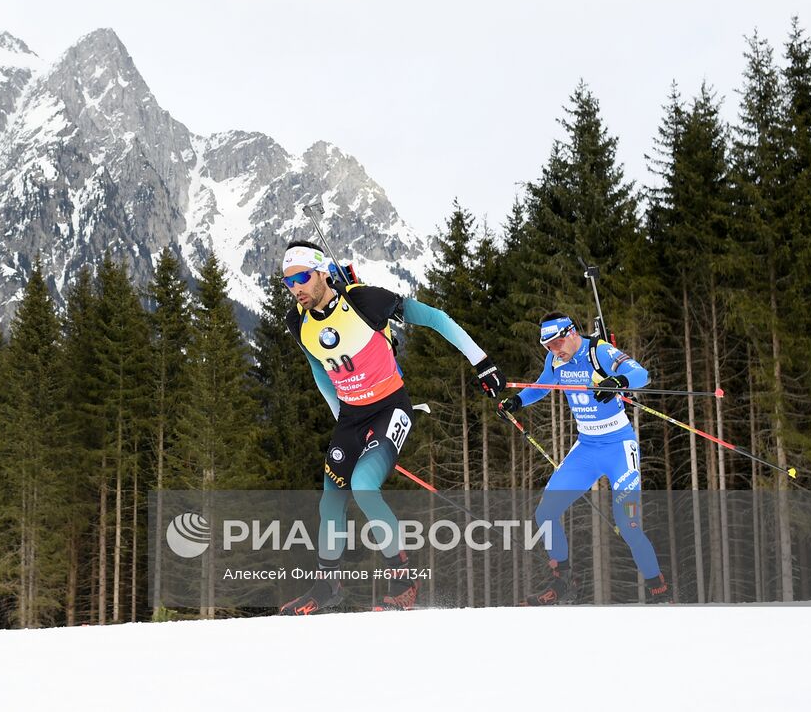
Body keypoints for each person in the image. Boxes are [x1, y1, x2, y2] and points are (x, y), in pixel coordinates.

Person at [277, 240, 505, 614]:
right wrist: (339, 414)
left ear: (322, 273)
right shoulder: (297, 322)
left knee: (364, 486)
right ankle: (326, 587)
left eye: (301, 277)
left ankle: (403, 581)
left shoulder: (366, 301)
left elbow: (435, 318)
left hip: (390, 407)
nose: (295, 288)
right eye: (288, 282)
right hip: (351, 416)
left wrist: (483, 363)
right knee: (331, 498)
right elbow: (318, 366)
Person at [499, 312, 671, 604]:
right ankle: (564, 582)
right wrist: (516, 401)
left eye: (557, 343)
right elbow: (542, 386)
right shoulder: (555, 360)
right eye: (548, 346)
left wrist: (617, 381)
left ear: (572, 333)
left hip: (618, 447)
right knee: (545, 513)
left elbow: (641, 374)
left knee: (627, 523)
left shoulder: (598, 351)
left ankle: (658, 588)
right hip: (587, 448)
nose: (554, 350)